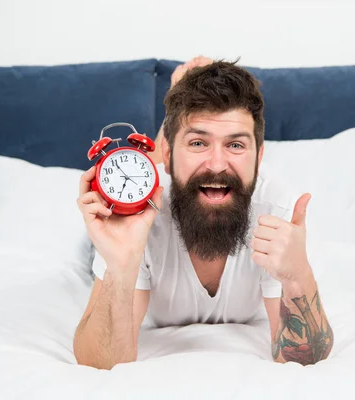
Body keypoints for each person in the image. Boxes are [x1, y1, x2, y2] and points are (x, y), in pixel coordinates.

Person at [73, 56, 334, 369]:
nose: (217, 164)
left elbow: (301, 359)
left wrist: (298, 276)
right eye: (198, 143)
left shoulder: (277, 211)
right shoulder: (136, 217)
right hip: (153, 200)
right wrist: (120, 265)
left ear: (259, 156)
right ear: (168, 154)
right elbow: (100, 364)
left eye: (236, 145)